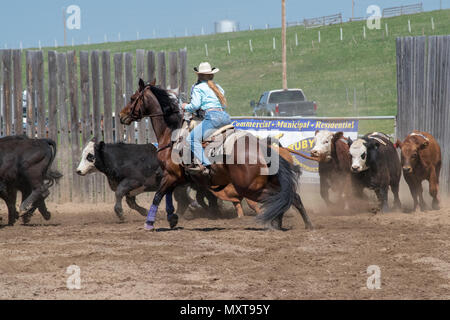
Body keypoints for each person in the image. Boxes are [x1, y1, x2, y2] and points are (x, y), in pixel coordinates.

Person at [182, 62, 231, 176]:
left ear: (199, 75)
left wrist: (185, 106)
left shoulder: (198, 88)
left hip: (212, 117)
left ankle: (207, 165)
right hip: (225, 117)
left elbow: (195, 106)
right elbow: (223, 105)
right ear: (211, 75)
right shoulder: (218, 87)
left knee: (191, 139)